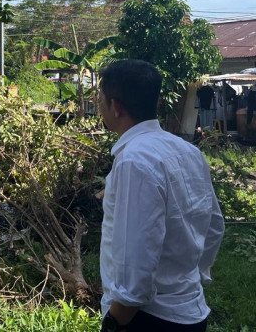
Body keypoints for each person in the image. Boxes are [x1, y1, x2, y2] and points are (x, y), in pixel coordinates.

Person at [97, 60, 224, 332]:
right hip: (191, 310)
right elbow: (214, 225)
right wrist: (189, 278)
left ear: (115, 106)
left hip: (148, 318)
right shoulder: (187, 151)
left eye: (100, 99)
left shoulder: (134, 160)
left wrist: (115, 321)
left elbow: (137, 259)